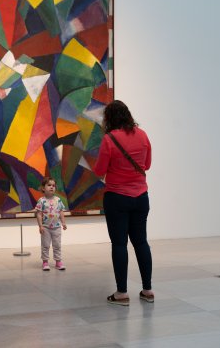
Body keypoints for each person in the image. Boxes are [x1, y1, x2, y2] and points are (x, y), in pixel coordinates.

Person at [94, 100, 154, 306]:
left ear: (109, 118)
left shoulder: (109, 139)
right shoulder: (143, 135)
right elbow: (146, 164)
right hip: (141, 196)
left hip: (117, 197)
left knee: (119, 244)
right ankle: (147, 290)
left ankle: (122, 293)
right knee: (141, 242)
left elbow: (99, 170)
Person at [35, 177, 67, 271]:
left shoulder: (58, 200)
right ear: (43, 188)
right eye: (49, 185)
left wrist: (63, 222)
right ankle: (45, 262)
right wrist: (40, 226)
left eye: (53, 185)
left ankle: (58, 262)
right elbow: (39, 214)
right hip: (45, 228)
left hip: (56, 227)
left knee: (57, 245)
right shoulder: (41, 201)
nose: (52, 187)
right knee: (45, 245)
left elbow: (61, 212)